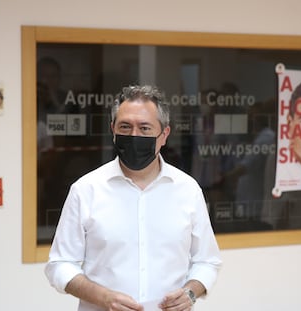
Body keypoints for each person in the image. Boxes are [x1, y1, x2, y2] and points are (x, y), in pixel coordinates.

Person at [45, 85, 222, 311]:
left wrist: (190, 293)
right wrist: (103, 298)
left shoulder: (188, 190)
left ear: (164, 135)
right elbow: (60, 265)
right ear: (113, 130)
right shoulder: (86, 189)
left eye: (145, 128)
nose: (134, 135)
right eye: (125, 127)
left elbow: (207, 261)